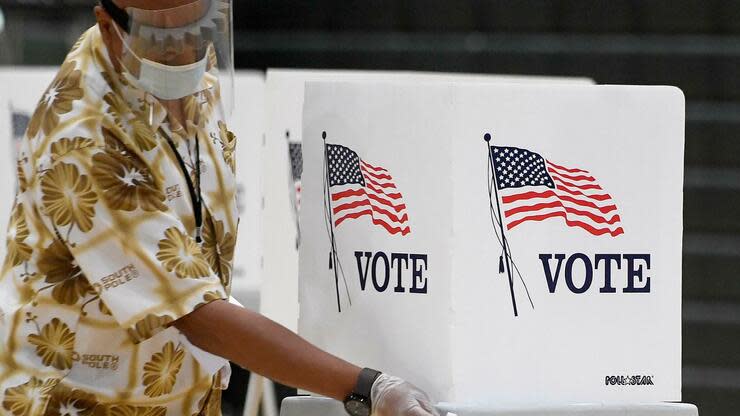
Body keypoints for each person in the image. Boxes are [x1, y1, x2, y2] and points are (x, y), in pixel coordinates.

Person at [0, 1, 440, 415]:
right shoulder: (83, 137)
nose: (181, 52)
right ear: (107, 25)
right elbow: (196, 313)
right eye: (159, 38)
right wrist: (368, 387)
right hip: (73, 400)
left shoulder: (191, 64)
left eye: (199, 30)